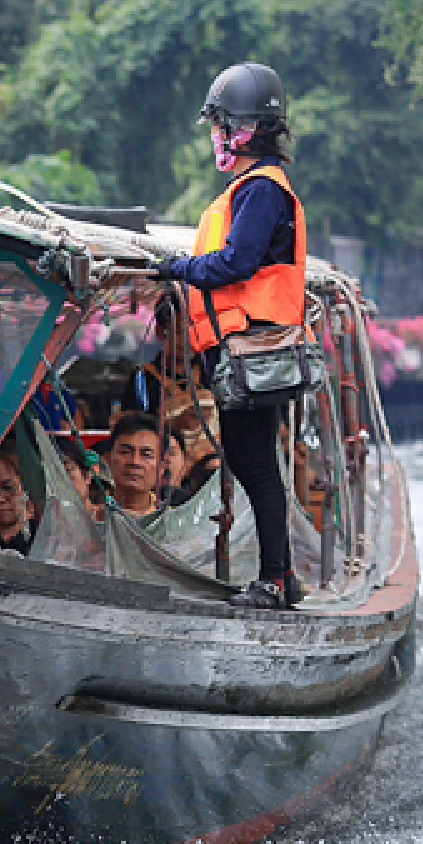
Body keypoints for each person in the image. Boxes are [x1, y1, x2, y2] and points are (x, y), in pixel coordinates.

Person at [157, 61, 308, 610]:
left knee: (255, 463)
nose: (214, 138)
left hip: (256, 351)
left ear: (236, 130)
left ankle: (276, 579)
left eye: (218, 126)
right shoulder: (251, 188)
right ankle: (280, 575)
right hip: (245, 351)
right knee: (251, 460)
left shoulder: (261, 191)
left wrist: (177, 268)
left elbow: (236, 263)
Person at [104, 412, 166, 516]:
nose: (135, 462)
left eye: (146, 455)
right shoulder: (89, 515)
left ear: (162, 468)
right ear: (108, 460)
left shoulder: (172, 522)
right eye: (125, 452)